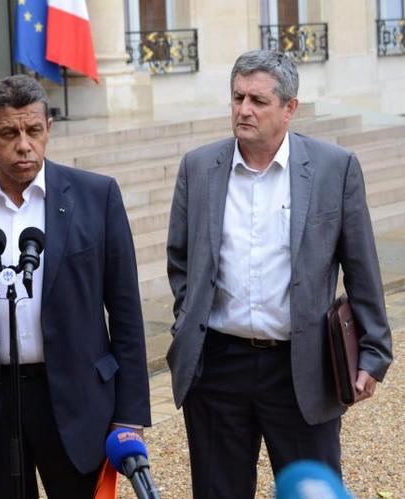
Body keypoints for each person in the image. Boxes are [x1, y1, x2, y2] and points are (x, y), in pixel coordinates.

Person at [165, 49, 393, 498]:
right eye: (237, 97)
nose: (243, 110)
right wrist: (185, 323)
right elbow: (180, 260)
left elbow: (362, 266)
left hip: (303, 367)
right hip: (217, 369)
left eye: (258, 100)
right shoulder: (198, 167)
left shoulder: (334, 167)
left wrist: (373, 351)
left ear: (290, 108)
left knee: (312, 490)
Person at [0, 74, 151, 498]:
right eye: (9, 133)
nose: (24, 145)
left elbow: (126, 311)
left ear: (49, 129)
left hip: (78, 401)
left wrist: (130, 415)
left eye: (34, 131)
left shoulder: (97, 197)